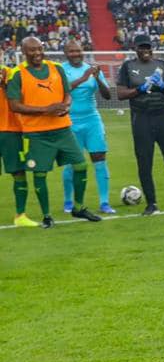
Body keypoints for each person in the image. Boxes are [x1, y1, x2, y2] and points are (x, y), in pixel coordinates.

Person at [7, 37, 101, 227]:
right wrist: (45, 110)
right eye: (31, 50)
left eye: (39, 49)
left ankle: (79, 207)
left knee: (81, 165)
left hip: (63, 129)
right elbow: (14, 105)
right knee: (40, 174)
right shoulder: (18, 74)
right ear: (24, 52)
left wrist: (66, 105)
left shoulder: (56, 68)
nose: (37, 53)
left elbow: (67, 93)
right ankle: (47, 216)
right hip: (36, 133)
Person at [116, 34, 164, 215]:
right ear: (135, 49)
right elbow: (120, 93)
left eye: (147, 47)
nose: (145, 51)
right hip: (141, 118)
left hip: (163, 117)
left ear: (152, 48)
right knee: (144, 161)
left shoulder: (161, 65)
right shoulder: (128, 67)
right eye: (141, 47)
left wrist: (163, 86)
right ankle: (152, 204)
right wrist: (139, 90)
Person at [59, 40, 115, 214]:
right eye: (72, 51)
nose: (76, 54)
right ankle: (68, 201)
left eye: (79, 51)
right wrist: (84, 77)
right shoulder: (60, 70)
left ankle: (104, 203)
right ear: (66, 53)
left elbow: (107, 96)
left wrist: (97, 78)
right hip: (70, 121)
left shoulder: (92, 69)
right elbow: (63, 90)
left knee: (99, 159)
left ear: (83, 51)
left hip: (92, 120)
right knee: (71, 163)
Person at [0, 62, 38, 227]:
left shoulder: (12, 74)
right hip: (9, 129)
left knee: (19, 172)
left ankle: (20, 215)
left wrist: (5, 86)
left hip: (11, 130)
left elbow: (23, 98)